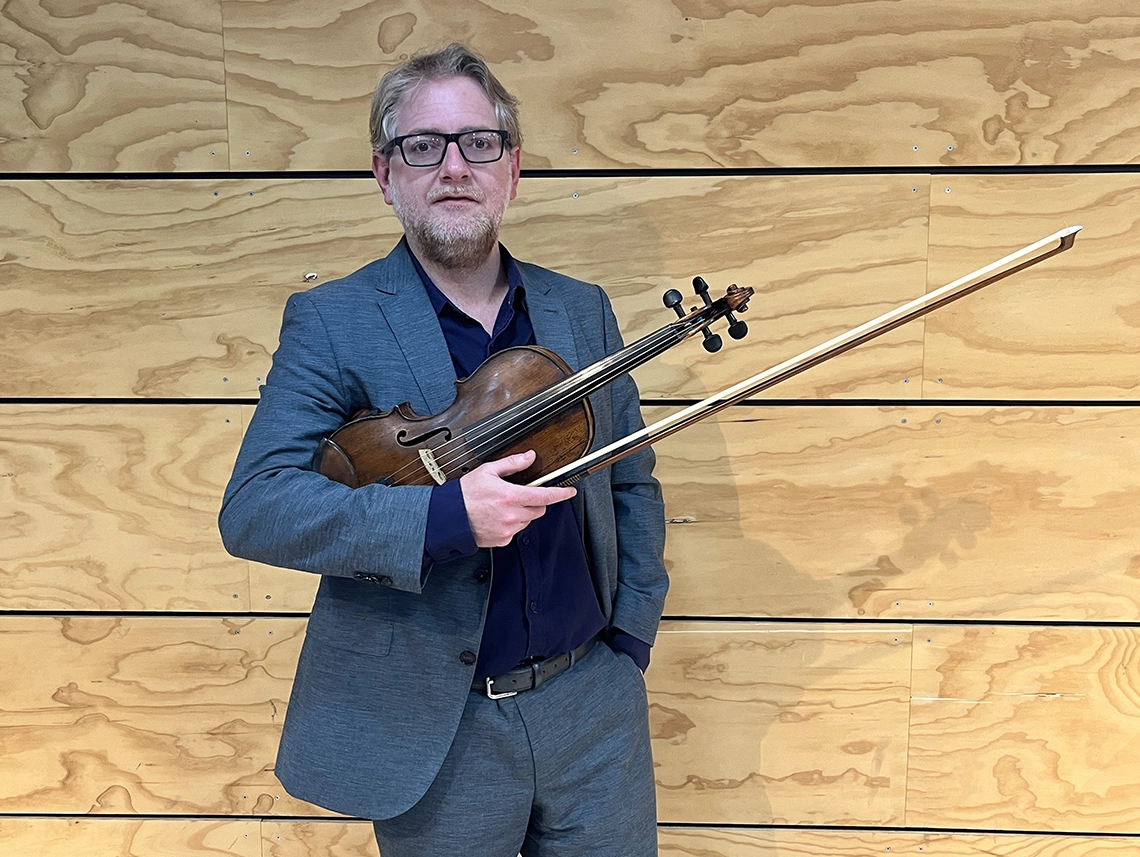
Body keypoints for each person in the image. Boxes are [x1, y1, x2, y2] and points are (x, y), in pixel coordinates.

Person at [218, 43, 667, 857]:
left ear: (512, 168)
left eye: (478, 143)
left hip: (593, 706)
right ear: (385, 174)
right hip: (438, 727)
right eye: (423, 146)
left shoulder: (581, 309)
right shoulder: (334, 320)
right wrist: (442, 518)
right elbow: (258, 507)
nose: (454, 167)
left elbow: (631, 477)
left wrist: (629, 640)